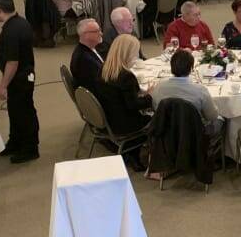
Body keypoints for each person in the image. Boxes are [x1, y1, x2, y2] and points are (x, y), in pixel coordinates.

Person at [0, 0, 39, 163]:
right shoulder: (20, 22)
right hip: (21, 76)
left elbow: (12, 61)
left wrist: (2, 86)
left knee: (23, 112)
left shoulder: (12, 30)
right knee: (15, 110)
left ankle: (29, 148)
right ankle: (15, 141)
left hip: (19, 78)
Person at [95, 35, 152, 169]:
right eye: (135, 52)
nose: (137, 56)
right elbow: (134, 105)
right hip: (126, 124)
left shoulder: (103, 69)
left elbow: (121, 96)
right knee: (160, 115)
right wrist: (150, 96)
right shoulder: (126, 76)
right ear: (128, 53)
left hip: (109, 119)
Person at [151, 49, 222, 135]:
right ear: (191, 68)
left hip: (166, 132)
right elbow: (212, 116)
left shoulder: (159, 86)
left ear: (171, 67)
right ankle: (227, 147)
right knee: (221, 119)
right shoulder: (200, 90)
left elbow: (156, 108)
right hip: (194, 135)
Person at [70, 19, 105, 90]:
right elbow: (101, 84)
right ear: (86, 35)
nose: (101, 33)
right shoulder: (84, 59)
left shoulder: (88, 49)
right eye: (96, 31)